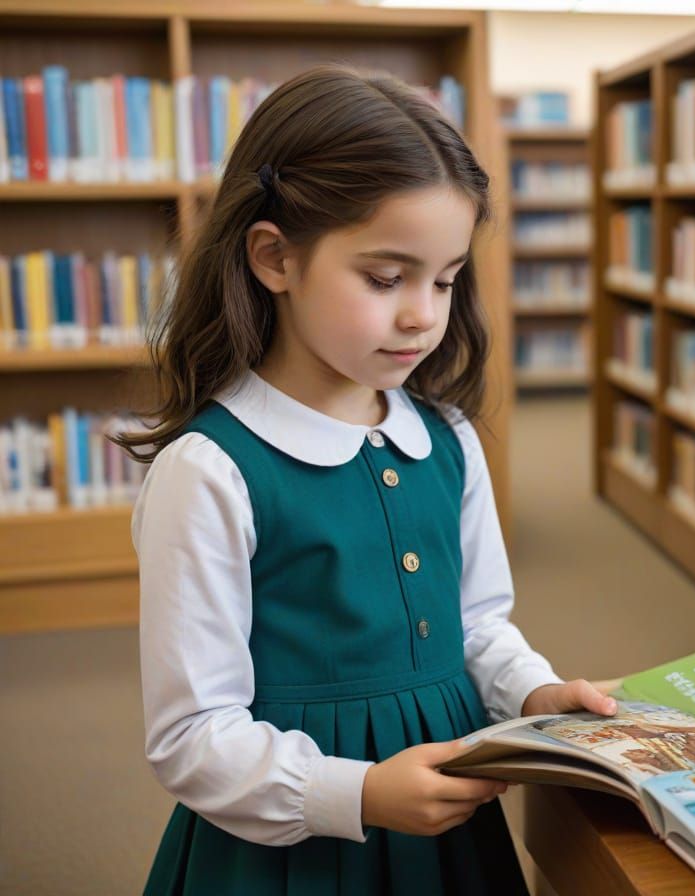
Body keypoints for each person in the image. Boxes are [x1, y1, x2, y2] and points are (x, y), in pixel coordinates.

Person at [116, 64, 617, 895]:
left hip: (448, 836)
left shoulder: (446, 438)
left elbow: (479, 628)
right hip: (289, 859)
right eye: (386, 279)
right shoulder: (209, 472)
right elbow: (192, 735)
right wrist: (356, 792)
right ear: (275, 257)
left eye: (447, 279)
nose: (423, 312)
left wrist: (534, 693)